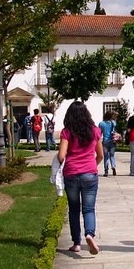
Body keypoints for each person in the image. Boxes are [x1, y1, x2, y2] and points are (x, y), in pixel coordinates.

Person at [57, 101, 103, 255]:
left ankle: (76, 243)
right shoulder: (95, 131)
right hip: (89, 173)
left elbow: (61, 156)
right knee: (89, 209)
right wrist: (92, 165)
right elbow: (101, 155)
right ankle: (89, 234)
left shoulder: (67, 132)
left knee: (74, 209)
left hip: (71, 173)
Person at [98, 110, 117, 176]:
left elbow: (99, 134)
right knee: (112, 155)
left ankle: (106, 171)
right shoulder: (113, 122)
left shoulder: (101, 123)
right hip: (112, 141)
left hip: (105, 142)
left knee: (106, 157)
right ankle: (113, 167)